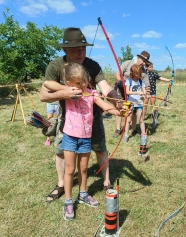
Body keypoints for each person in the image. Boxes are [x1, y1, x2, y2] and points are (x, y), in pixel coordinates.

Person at [39, 27, 126, 203]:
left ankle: (106, 182)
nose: (81, 53)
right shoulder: (56, 66)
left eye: (83, 48)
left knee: (100, 148)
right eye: (76, 49)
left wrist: (118, 103)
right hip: (68, 121)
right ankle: (61, 184)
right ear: (64, 50)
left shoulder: (92, 65)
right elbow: (43, 94)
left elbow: (106, 88)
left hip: (92, 118)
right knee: (61, 152)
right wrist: (65, 92)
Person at [43, 62, 122, 220]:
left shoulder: (92, 94)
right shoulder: (67, 93)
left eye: (84, 81)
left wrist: (121, 110)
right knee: (70, 170)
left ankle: (83, 194)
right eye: (78, 83)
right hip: (70, 137)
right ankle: (68, 201)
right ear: (69, 83)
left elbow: (105, 106)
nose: (82, 85)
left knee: (84, 168)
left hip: (86, 137)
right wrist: (66, 91)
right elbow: (47, 84)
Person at [114, 51, 151, 137]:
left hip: (134, 95)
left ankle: (134, 130)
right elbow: (117, 73)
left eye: (145, 62)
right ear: (139, 58)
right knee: (120, 107)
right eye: (143, 60)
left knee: (133, 111)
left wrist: (147, 94)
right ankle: (118, 129)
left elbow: (146, 85)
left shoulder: (144, 72)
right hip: (121, 89)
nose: (143, 63)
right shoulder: (128, 63)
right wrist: (121, 82)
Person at [123, 65, 147, 143]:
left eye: (139, 73)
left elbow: (144, 91)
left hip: (139, 103)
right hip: (131, 103)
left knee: (141, 119)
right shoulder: (129, 81)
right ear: (132, 73)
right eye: (136, 73)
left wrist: (144, 95)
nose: (137, 75)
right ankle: (126, 135)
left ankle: (143, 135)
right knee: (128, 119)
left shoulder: (140, 81)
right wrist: (137, 92)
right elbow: (127, 92)